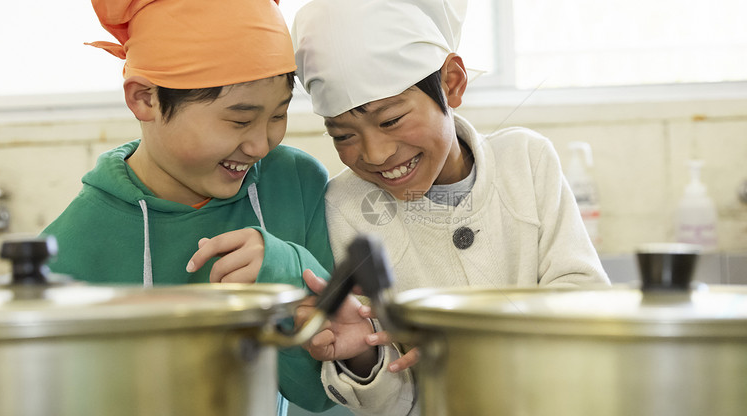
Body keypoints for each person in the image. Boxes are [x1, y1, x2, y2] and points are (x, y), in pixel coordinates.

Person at [290, 0, 611, 414]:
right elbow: (396, 403)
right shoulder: (344, 209)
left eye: (390, 120)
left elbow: (586, 302)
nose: (375, 152)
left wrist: (478, 340)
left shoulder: (526, 161)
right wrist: (362, 355)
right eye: (343, 134)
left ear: (452, 82)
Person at [40, 0, 336, 414]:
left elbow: (329, 391)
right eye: (239, 120)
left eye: (279, 114)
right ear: (145, 98)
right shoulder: (70, 247)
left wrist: (285, 272)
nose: (260, 145)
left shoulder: (295, 186)